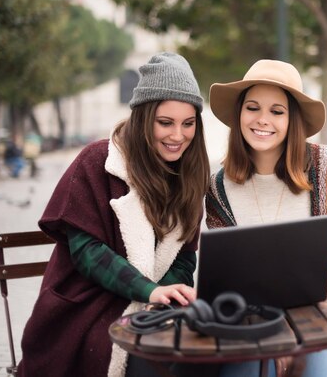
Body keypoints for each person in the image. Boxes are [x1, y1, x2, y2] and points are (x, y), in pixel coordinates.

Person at [17, 52, 210, 377]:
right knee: (150, 361)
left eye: (188, 124)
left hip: (151, 310)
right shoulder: (98, 161)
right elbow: (87, 253)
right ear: (143, 118)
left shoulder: (189, 178)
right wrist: (147, 290)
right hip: (85, 308)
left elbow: (184, 260)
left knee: (199, 355)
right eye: (165, 123)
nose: (178, 136)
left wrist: (162, 296)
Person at [205, 59, 327, 377]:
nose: (262, 120)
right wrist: (274, 336)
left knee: (317, 372)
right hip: (258, 328)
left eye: (277, 111)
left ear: (292, 119)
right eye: (253, 108)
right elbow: (228, 281)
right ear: (239, 113)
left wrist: (315, 284)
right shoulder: (219, 189)